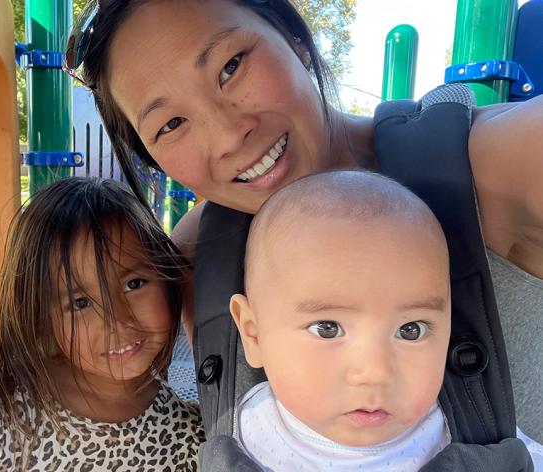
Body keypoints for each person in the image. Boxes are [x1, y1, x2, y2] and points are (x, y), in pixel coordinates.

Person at [64, 0, 543, 441]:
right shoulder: (199, 252)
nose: (230, 135)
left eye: (231, 66)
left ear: (296, 40)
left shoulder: (488, 167)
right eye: (170, 124)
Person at [229, 170, 543, 470]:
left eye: (411, 330)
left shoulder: (468, 421)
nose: (375, 372)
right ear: (253, 335)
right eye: (327, 329)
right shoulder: (246, 428)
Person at [0, 177, 203, 471]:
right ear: (41, 315)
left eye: (133, 284)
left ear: (167, 280)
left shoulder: (187, 433)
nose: (117, 320)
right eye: (80, 303)